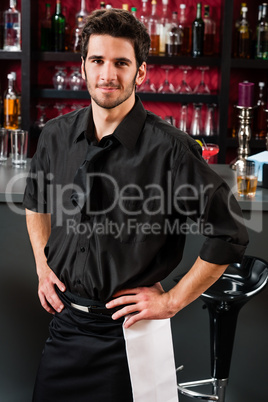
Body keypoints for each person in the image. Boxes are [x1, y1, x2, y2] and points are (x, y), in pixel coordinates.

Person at [23, 8, 248, 402]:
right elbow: (35, 199)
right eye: (97, 61)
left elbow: (229, 232)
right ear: (83, 67)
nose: (107, 75)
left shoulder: (172, 149)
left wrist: (172, 300)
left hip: (129, 335)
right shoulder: (56, 135)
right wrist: (43, 267)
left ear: (140, 72)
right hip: (65, 327)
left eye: (121, 63)